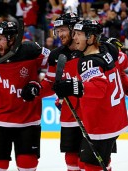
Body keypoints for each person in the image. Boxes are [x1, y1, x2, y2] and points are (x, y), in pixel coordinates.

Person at [0, 21, 52, 170]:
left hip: (28, 121)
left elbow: (55, 63)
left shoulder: (31, 50)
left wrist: (39, 87)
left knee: (27, 164)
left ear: (12, 39)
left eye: (1, 38)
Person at [54, 19, 128, 171]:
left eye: (79, 34)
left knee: (89, 166)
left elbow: (98, 88)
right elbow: (121, 65)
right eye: (74, 33)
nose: (74, 38)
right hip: (115, 119)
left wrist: (73, 86)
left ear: (91, 38)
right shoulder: (106, 50)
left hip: (101, 124)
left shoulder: (88, 62)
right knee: (92, 163)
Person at [42, 12, 84, 170]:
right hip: (69, 114)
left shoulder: (92, 49)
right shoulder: (56, 55)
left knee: (93, 160)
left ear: (74, 30)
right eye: (58, 31)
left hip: (92, 113)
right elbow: (50, 83)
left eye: (63, 30)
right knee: (71, 159)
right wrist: (35, 90)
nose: (60, 34)